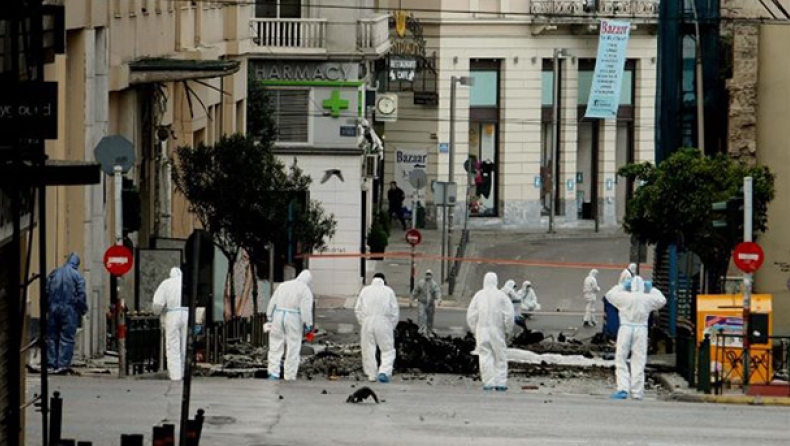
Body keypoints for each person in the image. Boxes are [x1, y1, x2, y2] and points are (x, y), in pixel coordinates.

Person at [604, 276, 666, 400]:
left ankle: (622, 389)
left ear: (630, 286)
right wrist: (652, 289)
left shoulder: (624, 297)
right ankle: (637, 392)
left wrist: (622, 286)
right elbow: (662, 300)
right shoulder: (647, 298)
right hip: (641, 329)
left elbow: (609, 295)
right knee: (639, 360)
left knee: (621, 358)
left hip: (625, 327)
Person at [467, 272, 515, 392]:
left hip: (482, 331)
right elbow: (509, 315)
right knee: (500, 356)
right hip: (497, 330)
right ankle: (501, 383)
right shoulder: (502, 296)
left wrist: (474, 330)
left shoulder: (479, 295)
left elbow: (471, 315)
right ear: (496, 281)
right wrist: (508, 330)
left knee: (485, 356)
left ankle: (488, 383)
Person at [266, 270, 314, 381]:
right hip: (293, 318)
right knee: (293, 347)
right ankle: (289, 376)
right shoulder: (305, 290)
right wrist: (308, 325)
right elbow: (306, 310)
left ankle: (273, 373)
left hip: (278, 315)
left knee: (275, 345)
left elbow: (272, 302)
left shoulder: (283, 285)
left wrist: (269, 316)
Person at [46, 252, 88, 373]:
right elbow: (81, 295)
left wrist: (46, 307)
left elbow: (46, 291)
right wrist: (82, 309)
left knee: (52, 337)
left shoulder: (54, 273)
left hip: (53, 309)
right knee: (67, 338)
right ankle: (62, 365)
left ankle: (51, 363)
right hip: (69, 310)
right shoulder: (77, 276)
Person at [355, 273, 399, 383]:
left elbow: (358, 309)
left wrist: (363, 322)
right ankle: (384, 371)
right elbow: (394, 311)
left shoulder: (365, 291)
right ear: (384, 280)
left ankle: (371, 374)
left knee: (368, 349)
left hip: (367, 321)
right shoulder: (388, 291)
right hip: (384, 321)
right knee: (387, 349)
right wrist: (391, 326)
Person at [152, 267, 187, 381]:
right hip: (186, 313)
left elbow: (157, 304)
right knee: (184, 344)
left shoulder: (166, 283)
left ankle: (175, 375)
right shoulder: (186, 283)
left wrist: (157, 312)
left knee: (172, 345)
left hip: (172, 313)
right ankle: (184, 371)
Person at [412, 269, 441, 336]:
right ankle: (421, 330)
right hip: (422, 302)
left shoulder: (434, 284)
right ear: (425, 275)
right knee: (421, 316)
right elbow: (416, 290)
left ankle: (429, 331)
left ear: (432, 275)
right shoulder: (421, 283)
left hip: (430, 303)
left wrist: (439, 299)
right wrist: (413, 297)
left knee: (430, 318)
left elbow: (437, 291)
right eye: (427, 274)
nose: (428, 276)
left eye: (429, 274)